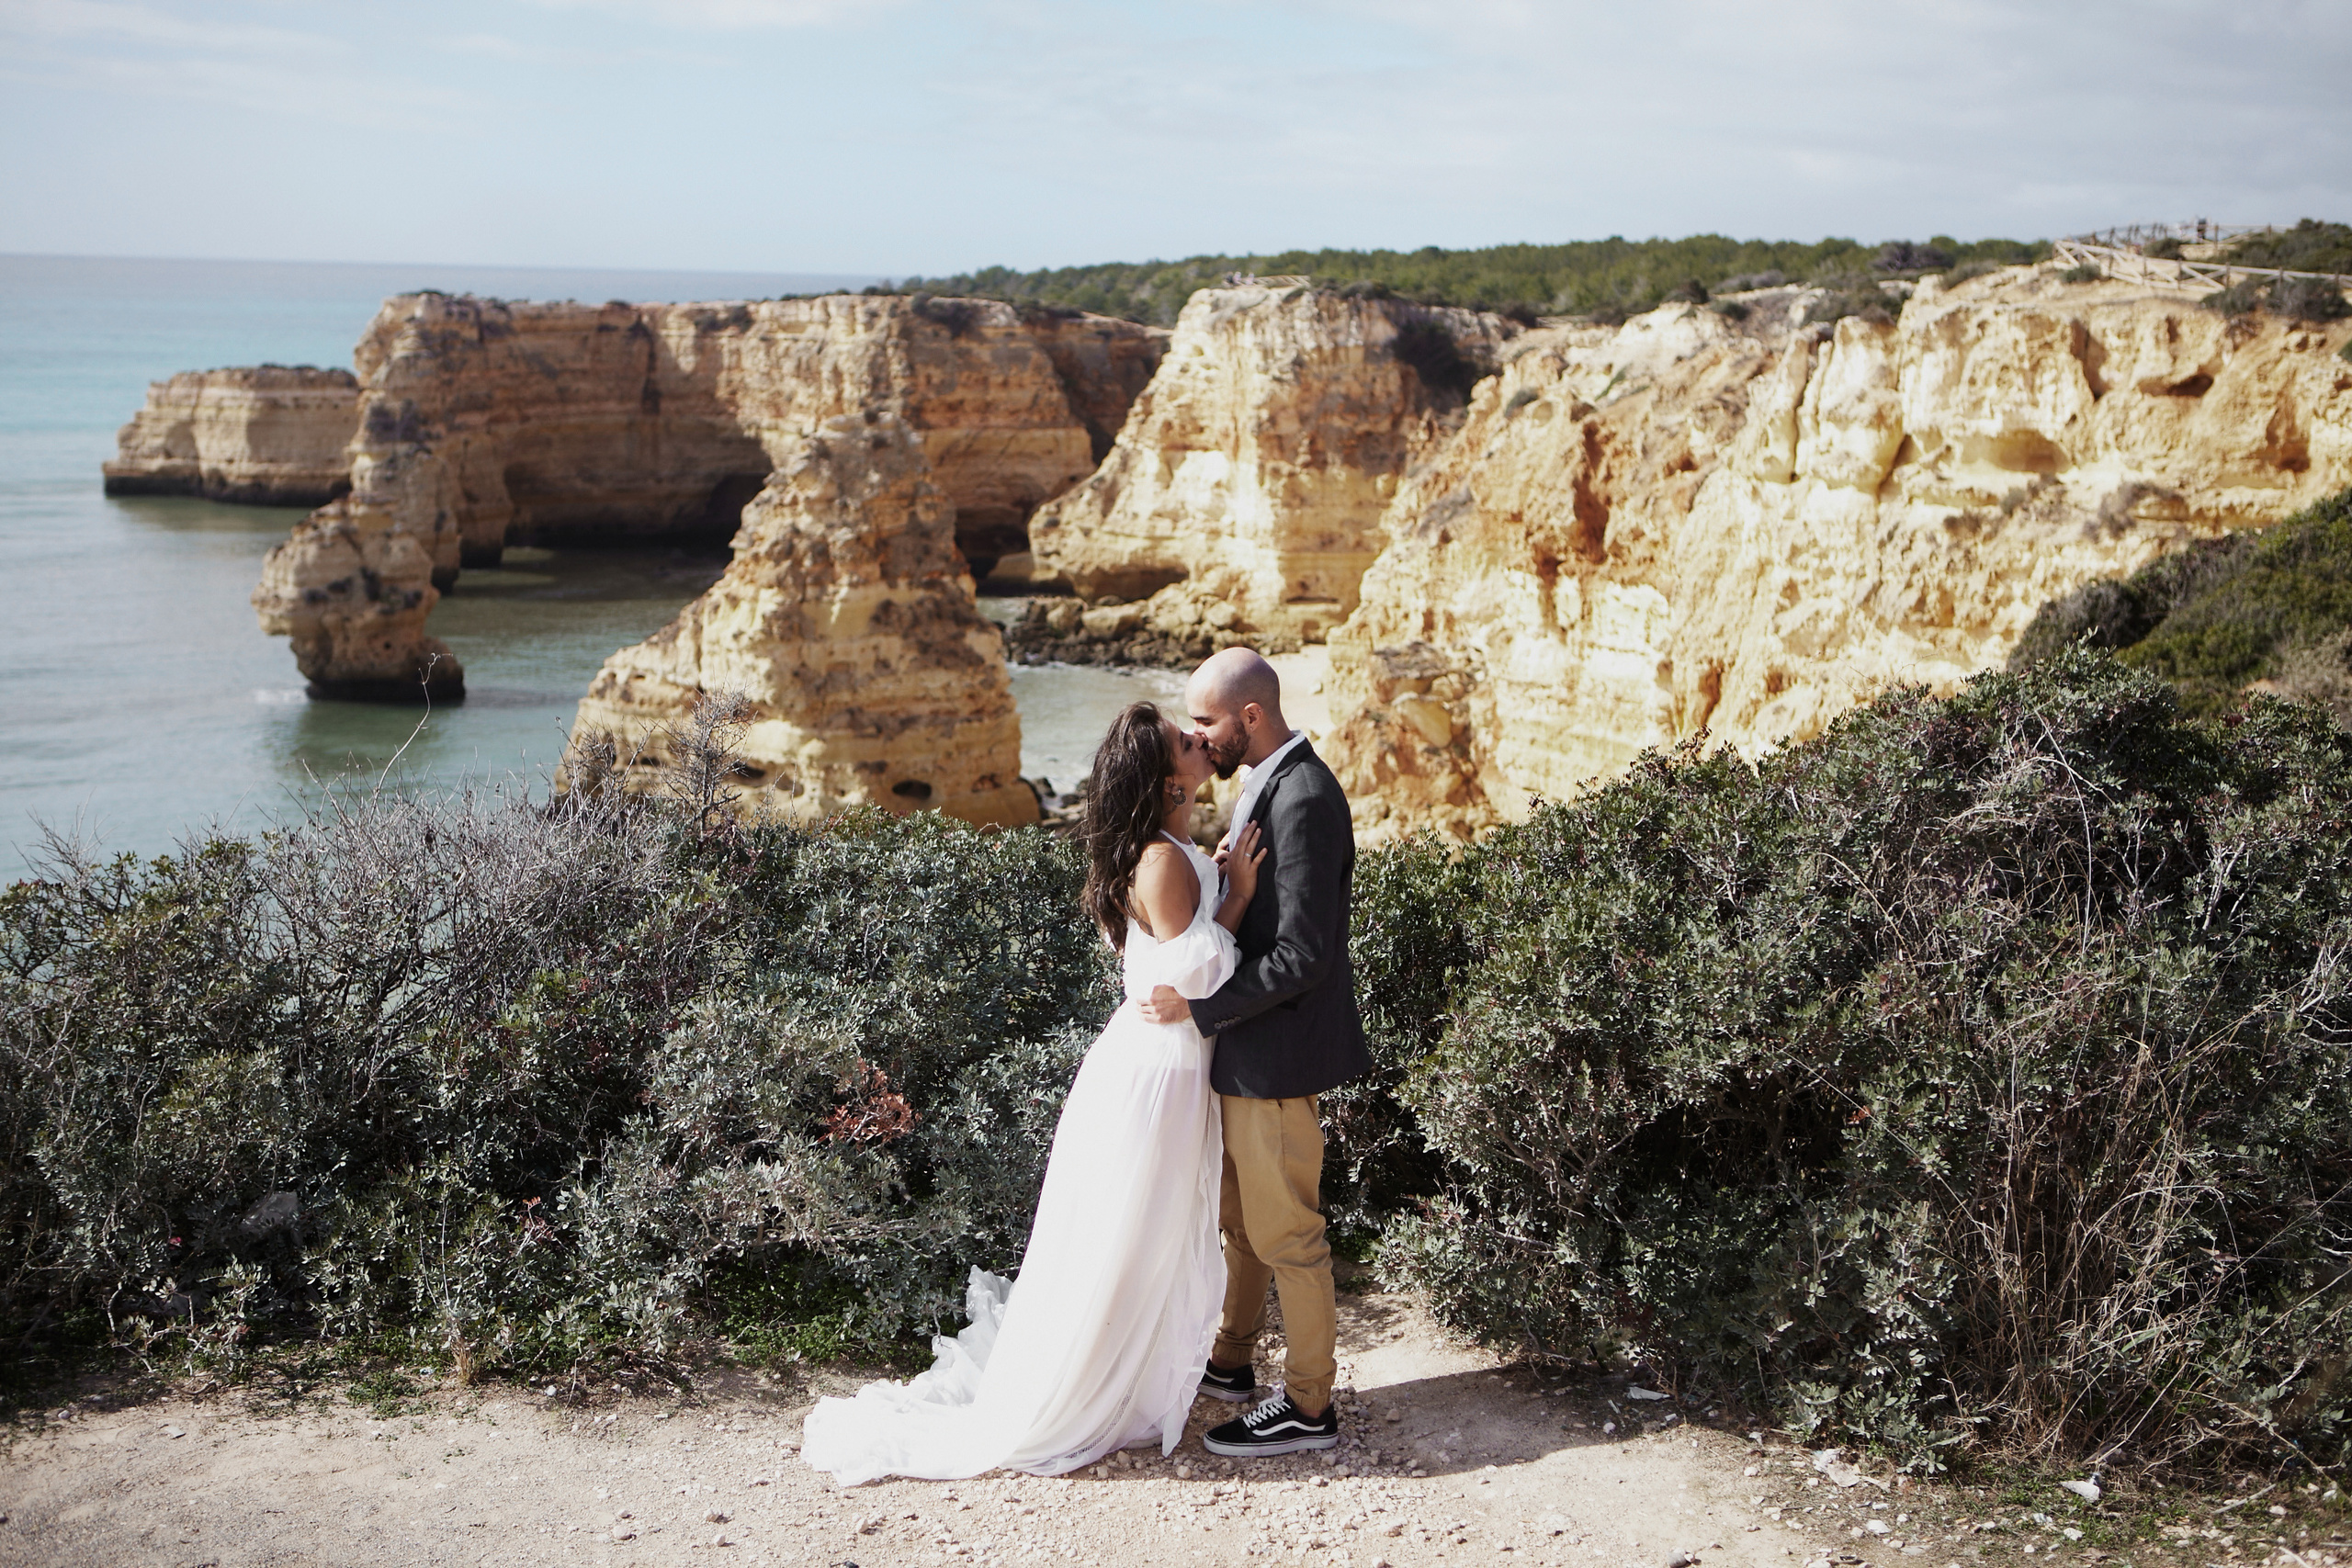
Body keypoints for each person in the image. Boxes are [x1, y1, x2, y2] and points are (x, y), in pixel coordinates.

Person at [799, 703, 1266, 1484]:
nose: (1199, 742)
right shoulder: (1159, 859)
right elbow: (1201, 973)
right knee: (1128, 1239)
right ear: (1163, 778)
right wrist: (1242, 894)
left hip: (1164, 1064)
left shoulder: (1171, 848)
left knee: (1139, 1236)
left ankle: (1131, 1376)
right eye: (1184, 743)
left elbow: (1182, 955)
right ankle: (1090, 1388)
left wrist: (1219, 877)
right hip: (1156, 1073)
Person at [1139, 647, 1371, 1459]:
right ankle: (1232, 1362)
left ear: (1249, 717)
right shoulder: (1260, 780)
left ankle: (1310, 1404)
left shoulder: (1302, 795)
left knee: (1288, 1233)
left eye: (1205, 720)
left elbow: (1305, 954)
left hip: (1277, 1056)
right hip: (1247, 1049)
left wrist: (1201, 1008)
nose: (1197, 736)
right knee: (1241, 1221)